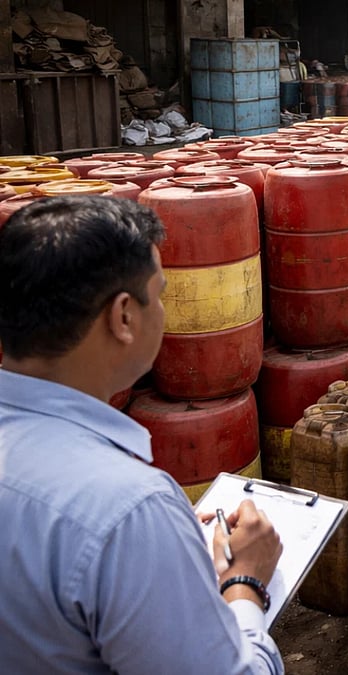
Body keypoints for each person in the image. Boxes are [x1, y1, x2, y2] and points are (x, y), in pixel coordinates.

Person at [0, 196, 285, 674]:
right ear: (124, 317)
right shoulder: (128, 510)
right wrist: (246, 582)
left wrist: (165, 546)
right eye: (161, 294)